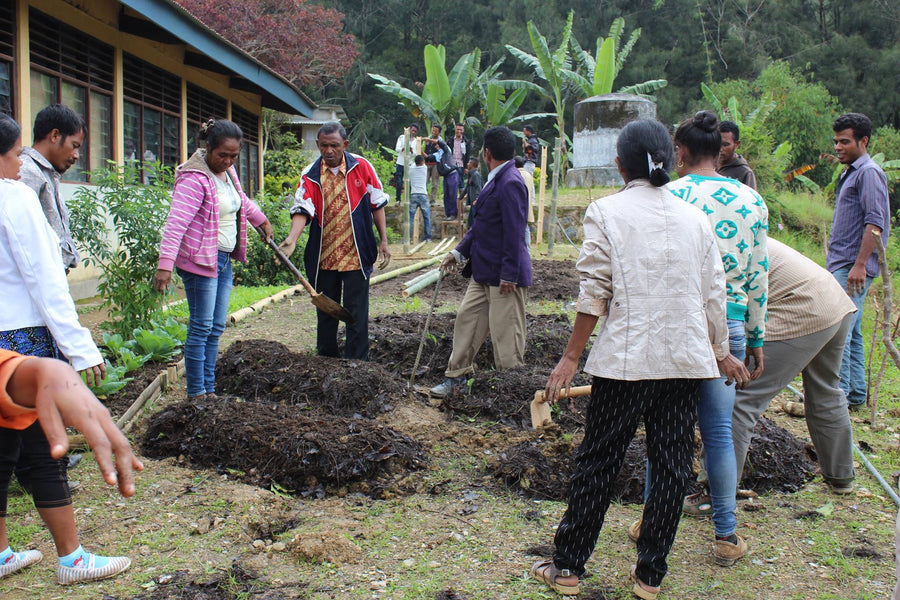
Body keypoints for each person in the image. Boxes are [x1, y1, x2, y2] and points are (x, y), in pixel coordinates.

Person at [532, 119, 746, 599]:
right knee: (671, 465)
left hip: (626, 363)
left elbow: (594, 293)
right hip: (684, 363)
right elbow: (715, 294)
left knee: (599, 460)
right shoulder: (695, 218)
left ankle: (567, 568)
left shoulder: (606, 212)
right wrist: (721, 353)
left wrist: (570, 358)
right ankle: (650, 577)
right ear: (670, 160)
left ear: (619, 164)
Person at [0, 112, 132, 585]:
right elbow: (44, 277)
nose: (21, 164)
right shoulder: (13, 196)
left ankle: (0, 555)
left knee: (1, 452)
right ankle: (72, 558)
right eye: (16, 154)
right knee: (44, 449)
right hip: (22, 343)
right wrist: (79, 346)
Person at [666, 110, 768, 566]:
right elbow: (758, 276)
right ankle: (726, 534)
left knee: (667, 432)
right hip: (727, 326)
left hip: (677, 324)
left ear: (682, 152)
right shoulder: (751, 200)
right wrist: (756, 337)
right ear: (718, 148)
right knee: (719, 434)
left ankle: (652, 523)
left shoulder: (669, 196)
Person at [153, 118, 274, 401]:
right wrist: (165, 265)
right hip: (199, 263)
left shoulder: (228, 174)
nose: (228, 161)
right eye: (222, 155)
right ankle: (197, 394)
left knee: (217, 326)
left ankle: (210, 390)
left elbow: (241, 201)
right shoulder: (194, 179)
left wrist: (261, 219)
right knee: (201, 327)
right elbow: (175, 223)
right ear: (207, 148)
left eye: (234, 156)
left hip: (222, 260)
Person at [732, 238, 856, 496]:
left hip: (800, 306)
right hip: (834, 301)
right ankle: (841, 477)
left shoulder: (715, 242)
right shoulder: (739, 226)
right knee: (825, 392)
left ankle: (716, 491)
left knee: (741, 398)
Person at [429, 127, 531, 397]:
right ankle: (457, 377)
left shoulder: (510, 182)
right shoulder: (495, 179)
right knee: (467, 319)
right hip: (484, 270)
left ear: (487, 154)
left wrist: (509, 274)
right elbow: (481, 226)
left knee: (506, 331)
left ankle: (513, 393)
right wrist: (458, 252)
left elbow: (515, 231)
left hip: (504, 276)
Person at [279, 121, 391, 360]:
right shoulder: (310, 174)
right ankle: (326, 359)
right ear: (318, 145)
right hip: (324, 256)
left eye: (334, 146)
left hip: (356, 254)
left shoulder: (361, 167)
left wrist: (384, 240)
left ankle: (357, 362)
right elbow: (302, 208)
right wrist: (291, 239)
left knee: (356, 312)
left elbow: (377, 203)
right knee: (326, 311)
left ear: (345, 145)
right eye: (323, 146)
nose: (328, 151)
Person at [826, 112, 890, 409]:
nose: (838, 146)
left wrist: (860, 265)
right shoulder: (851, 172)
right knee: (851, 330)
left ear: (863, 141)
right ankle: (853, 395)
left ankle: (838, 395)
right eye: (836, 141)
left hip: (852, 265)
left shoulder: (868, 173)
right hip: (843, 262)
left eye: (845, 141)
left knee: (840, 330)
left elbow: (874, 223)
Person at [18, 104, 85, 271]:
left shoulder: (48, 175)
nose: (76, 155)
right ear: (55, 135)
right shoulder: (26, 173)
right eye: (74, 145)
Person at [716, 120, 757, 189]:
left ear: (737, 144)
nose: (720, 149)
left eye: (725, 145)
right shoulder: (708, 166)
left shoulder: (745, 173)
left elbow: (751, 198)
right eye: (717, 143)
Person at [392, 123, 419, 205]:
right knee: (399, 182)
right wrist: (403, 148)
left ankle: (409, 199)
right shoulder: (401, 137)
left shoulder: (415, 141)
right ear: (409, 129)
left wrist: (411, 151)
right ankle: (398, 200)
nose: (413, 132)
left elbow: (415, 153)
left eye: (415, 131)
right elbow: (397, 149)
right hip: (400, 162)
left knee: (409, 182)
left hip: (409, 163)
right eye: (412, 130)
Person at [408, 154, 431, 242]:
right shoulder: (424, 168)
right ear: (422, 162)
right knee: (426, 217)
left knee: (410, 217)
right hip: (423, 195)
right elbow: (426, 159)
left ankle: (408, 237)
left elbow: (413, 164)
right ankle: (428, 237)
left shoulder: (411, 169)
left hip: (413, 194)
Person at [514, 156, 535, 245]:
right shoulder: (528, 175)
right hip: (527, 206)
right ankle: (528, 250)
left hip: (518, 207)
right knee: (526, 229)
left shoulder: (516, 175)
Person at [460, 158, 483, 227]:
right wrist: (460, 197)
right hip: (473, 201)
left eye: (469, 162)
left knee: (474, 221)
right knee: (470, 222)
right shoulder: (471, 174)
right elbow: (467, 187)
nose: (467, 164)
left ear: (473, 164)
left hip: (475, 202)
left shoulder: (475, 175)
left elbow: (478, 187)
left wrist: (477, 198)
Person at [446, 123, 470, 190]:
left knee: (461, 183)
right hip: (451, 164)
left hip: (461, 164)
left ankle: (460, 199)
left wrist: (466, 167)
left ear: (463, 130)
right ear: (455, 129)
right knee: (451, 182)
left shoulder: (466, 141)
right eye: (458, 129)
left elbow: (467, 155)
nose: (459, 131)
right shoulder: (450, 140)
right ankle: (452, 198)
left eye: (461, 130)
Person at [423, 124, 443, 206]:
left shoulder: (440, 141)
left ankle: (432, 199)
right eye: (433, 130)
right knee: (425, 182)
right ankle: (424, 198)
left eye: (435, 131)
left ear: (439, 132)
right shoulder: (428, 139)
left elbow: (440, 153)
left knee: (435, 183)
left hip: (435, 164)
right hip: (426, 163)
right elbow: (423, 147)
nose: (433, 132)